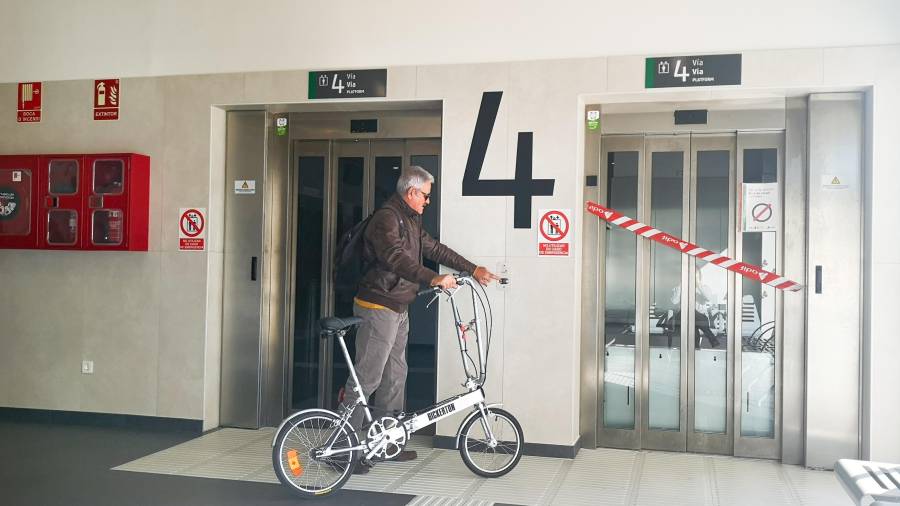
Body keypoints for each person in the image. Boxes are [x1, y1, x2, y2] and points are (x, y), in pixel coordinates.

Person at [346, 166, 498, 473]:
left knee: (396, 375)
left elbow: (435, 248)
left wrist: (473, 269)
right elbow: (395, 259)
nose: (428, 201)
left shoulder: (410, 220)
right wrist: (434, 278)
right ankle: (343, 447)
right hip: (378, 307)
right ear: (412, 192)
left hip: (399, 308)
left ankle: (388, 442)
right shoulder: (386, 218)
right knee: (367, 377)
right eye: (426, 196)